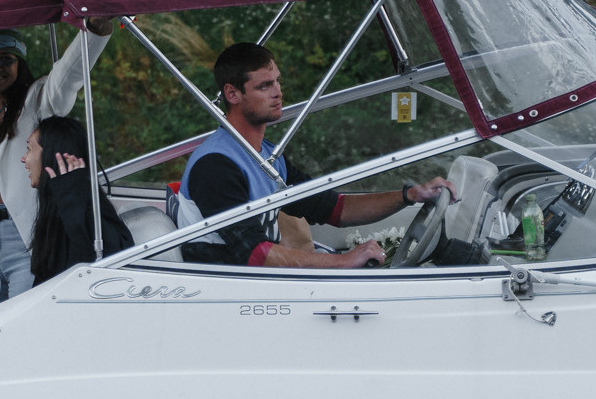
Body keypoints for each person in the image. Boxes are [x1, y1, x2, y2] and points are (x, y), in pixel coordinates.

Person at [179, 42, 451, 268]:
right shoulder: (216, 165)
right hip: (229, 291)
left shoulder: (269, 157)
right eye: (264, 86)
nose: (278, 92)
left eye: (278, 81)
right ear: (232, 94)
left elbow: (334, 208)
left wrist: (410, 196)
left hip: (256, 285)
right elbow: (255, 255)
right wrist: (345, 261)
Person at [0, 23, 113, 310]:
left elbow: (70, 75)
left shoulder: (37, 102)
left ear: (20, 64)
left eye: (7, 59)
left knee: (24, 326)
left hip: (27, 240)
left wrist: (94, 31)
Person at [25, 115, 134, 284]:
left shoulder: (82, 209)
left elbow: (89, 266)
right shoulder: (56, 208)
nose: (24, 158)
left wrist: (71, 194)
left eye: (29, 149)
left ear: (52, 156)